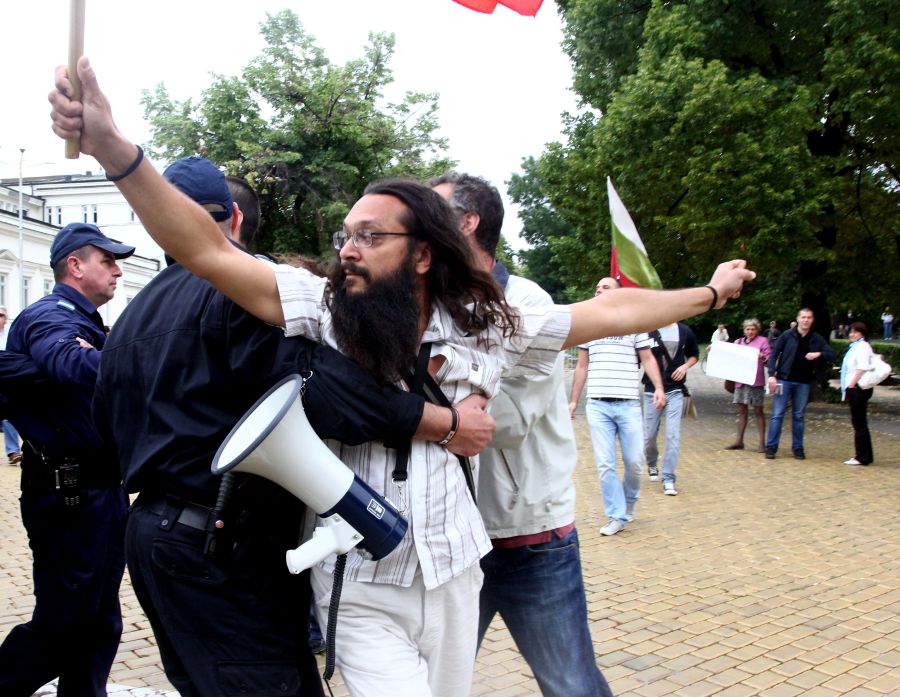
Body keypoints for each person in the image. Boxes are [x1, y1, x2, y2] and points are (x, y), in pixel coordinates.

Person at [49, 58, 756, 696]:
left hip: (454, 573)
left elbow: (607, 313)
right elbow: (203, 245)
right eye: (344, 235)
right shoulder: (318, 308)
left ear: (421, 254)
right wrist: (115, 147)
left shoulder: (488, 320)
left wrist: (712, 295)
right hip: (358, 581)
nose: (347, 249)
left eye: (368, 236)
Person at [92, 157, 492, 697]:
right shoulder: (250, 296)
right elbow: (334, 399)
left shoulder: (135, 312)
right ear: (233, 216)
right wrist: (444, 424)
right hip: (225, 544)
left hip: (151, 541)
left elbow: (104, 429)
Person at [432, 172, 613, 697]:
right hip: (451, 538)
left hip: (527, 536)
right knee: (429, 683)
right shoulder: (429, 303)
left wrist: (419, 406)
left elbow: (503, 426)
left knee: (571, 684)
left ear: (469, 223)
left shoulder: (529, 305)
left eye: (433, 209)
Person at [0, 223, 135, 697]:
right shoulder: (53, 316)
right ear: (75, 266)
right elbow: (71, 365)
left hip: (97, 492)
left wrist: (104, 345)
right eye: (108, 260)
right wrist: (120, 356)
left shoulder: (87, 323)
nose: (119, 270)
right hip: (70, 497)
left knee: (99, 623)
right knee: (63, 626)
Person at [569, 277, 666, 536]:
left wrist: (658, 387)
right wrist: (573, 401)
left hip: (628, 404)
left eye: (605, 287)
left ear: (618, 294)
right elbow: (582, 366)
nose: (599, 290)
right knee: (605, 464)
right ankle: (616, 515)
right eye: (597, 287)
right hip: (597, 405)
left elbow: (647, 358)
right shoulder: (588, 326)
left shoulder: (634, 323)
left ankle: (629, 503)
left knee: (635, 461)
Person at [765, 308, 836, 460]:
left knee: (799, 416)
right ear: (798, 319)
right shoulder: (787, 335)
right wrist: (771, 375)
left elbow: (832, 354)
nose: (806, 320)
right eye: (803, 317)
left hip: (803, 382)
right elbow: (773, 354)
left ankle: (798, 447)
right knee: (777, 415)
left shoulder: (816, 338)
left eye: (809, 317)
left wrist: (819, 354)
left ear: (812, 320)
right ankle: (771, 447)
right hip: (783, 379)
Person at [642, 322, 699, 495]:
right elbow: (639, 357)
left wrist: (684, 366)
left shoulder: (684, 330)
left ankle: (668, 478)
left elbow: (694, 354)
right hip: (651, 390)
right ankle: (652, 463)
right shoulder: (648, 331)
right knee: (648, 435)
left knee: (672, 435)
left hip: (675, 390)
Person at [724, 318, 771, 452]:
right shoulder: (738, 342)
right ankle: (739, 440)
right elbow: (730, 356)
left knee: (758, 410)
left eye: (753, 329)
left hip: (755, 381)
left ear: (757, 330)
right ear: (744, 330)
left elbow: (769, 360)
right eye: (748, 329)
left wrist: (763, 357)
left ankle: (762, 443)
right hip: (741, 380)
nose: (750, 331)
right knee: (742, 410)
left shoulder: (763, 341)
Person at [840, 322, 875, 465]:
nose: (852, 334)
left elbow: (862, 367)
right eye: (850, 332)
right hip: (855, 387)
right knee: (859, 422)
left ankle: (862, 456)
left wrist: (851, 384)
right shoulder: (856, 347)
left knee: (859, 422)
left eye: (855, 332)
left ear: (862, 333)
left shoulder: (862, 347)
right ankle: (865, 455)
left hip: (858, 388)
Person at [0, 306, 23, 464]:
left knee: (8, 416)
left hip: (6, 377)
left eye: (1, 315)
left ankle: (13, 451)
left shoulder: (11, 332)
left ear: (5, 318)